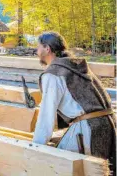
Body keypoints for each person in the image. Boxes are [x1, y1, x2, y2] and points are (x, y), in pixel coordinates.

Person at [33, 31, 115, 172]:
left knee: (64, 168)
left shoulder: (53, 73)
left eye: (38, 47)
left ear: (47, 48)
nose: (36, 51)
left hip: (89, 128)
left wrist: (36, 147)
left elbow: (47, 113)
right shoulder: (75, 67)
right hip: (108, 124)